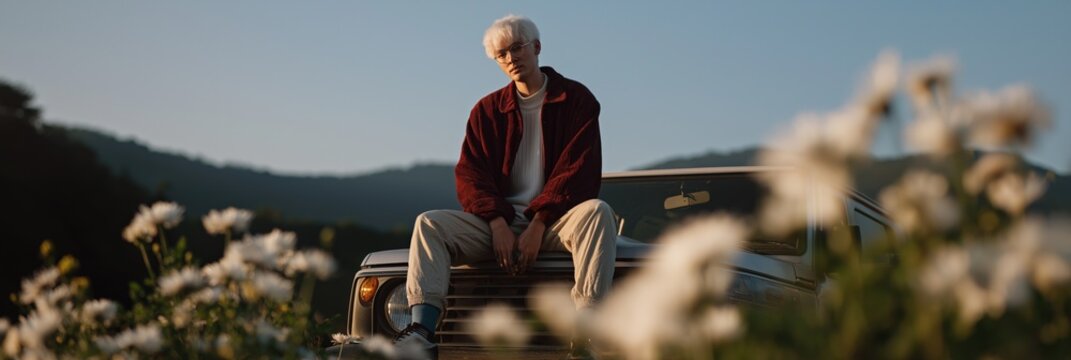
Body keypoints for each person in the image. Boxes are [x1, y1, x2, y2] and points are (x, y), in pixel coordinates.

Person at [393, 14, 618, 360]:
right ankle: (423, 330)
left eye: (517, 48)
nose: (511, 58)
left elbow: (579, 171)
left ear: (537, 47)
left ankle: (583, 333)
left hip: (556, 222)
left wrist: (539, 223)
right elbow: (471, 175)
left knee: (598, 212)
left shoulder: (577, 100)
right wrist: (497, 223)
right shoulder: (486, 111)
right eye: (502, 54)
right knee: (429, 224)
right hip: (497, 225)